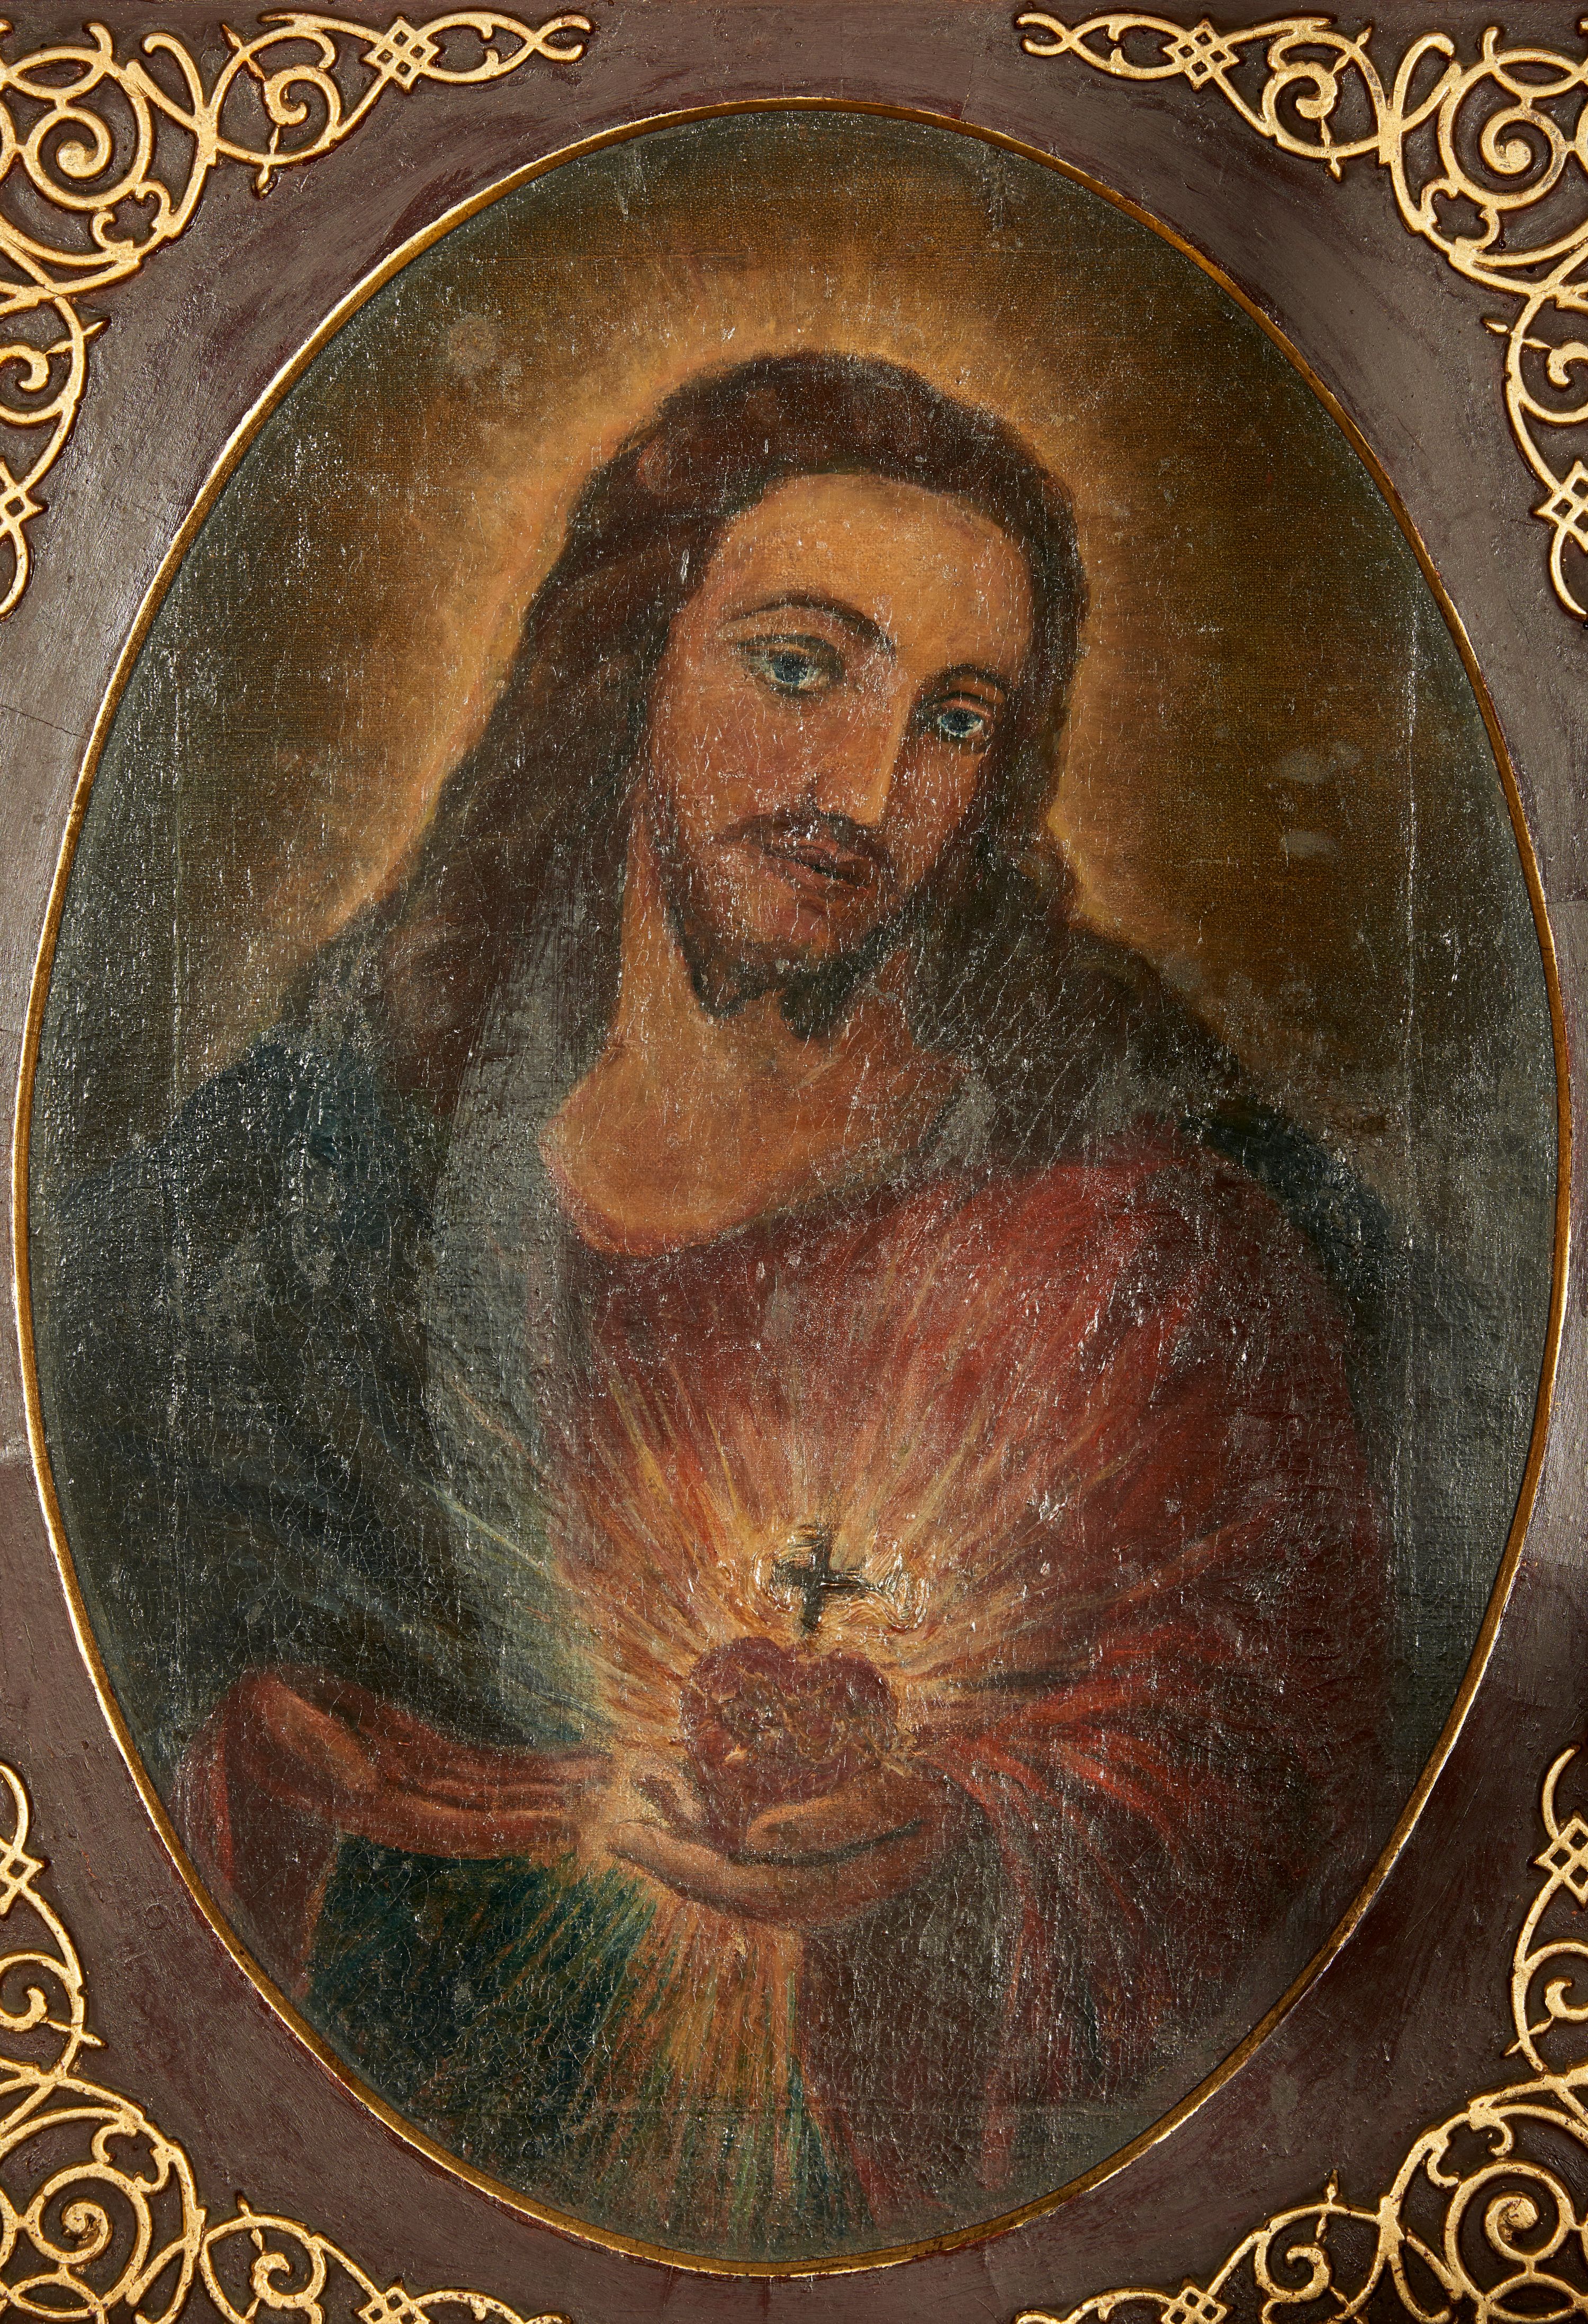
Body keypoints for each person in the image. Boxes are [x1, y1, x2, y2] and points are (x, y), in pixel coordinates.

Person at [37, 354, 1385, 2262]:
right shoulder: (304, 1195)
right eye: (800, 665)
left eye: (956, 719)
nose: (868, 788)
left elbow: (1274, 1778)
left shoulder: (1136, 1250)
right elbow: (107, 1618)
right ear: (629, 669)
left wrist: (955, 1858)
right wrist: (306, 1750)